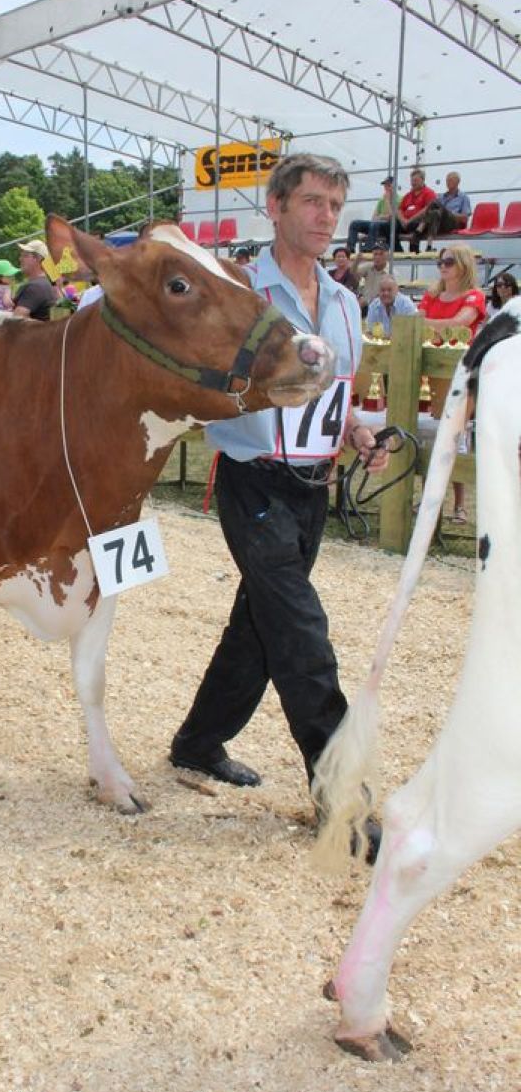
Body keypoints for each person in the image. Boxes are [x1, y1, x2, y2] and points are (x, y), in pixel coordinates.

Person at [170, 151, 389, 863]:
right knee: (300, 629)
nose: (327, 216)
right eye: (313, 202)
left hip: (312, 485)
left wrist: (356, 431)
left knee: (261, 626)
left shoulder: (347, 302)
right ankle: (340, 796)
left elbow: (338, 388)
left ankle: (199, 743)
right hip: (253, 479)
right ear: (277, 207)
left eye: (335, 204)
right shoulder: (239, 290)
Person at [417, 244, 486, 523]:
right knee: (428, 435)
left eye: (448, 261)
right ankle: (427, 500)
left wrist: (428, 324)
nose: (442, 266)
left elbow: (459, 325)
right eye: (439, 262)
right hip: (428, 371)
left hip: (459, 373)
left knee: (456, 437)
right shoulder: (432, 293)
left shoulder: (475, 296)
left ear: (462, 264)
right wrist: (437, 324)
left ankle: (459, 505)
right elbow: (434, 323)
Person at [347, 176, 399, 253]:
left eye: (388, 185)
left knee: (374, 224)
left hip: (388, 227)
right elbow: (374, 217)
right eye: (385, 186)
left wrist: (387, 201)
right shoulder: (381, 200)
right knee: (354, 223)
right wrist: (383, 217)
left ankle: (369, 248)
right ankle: (350, 248)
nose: (386, 188)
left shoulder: (399, 199)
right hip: (376, 225)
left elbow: (392, 217)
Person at [417, 171, 472, 242]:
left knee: (438, 206)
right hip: (439, 222)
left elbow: (465, 218)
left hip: (452, 223)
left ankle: (420, 228)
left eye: (450, 180)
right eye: (447, 180)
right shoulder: (441, 197)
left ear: (458, 182)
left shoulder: (463, 197)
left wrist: (449, 213)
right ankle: (429, 245)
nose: (448, 182)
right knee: (435, 210)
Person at [12, 240, 58, 321]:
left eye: (25, 256)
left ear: (37, 259)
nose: (20, 259)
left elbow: (16, 320)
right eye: (21, 256)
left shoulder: (35, 287)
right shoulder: (44, 284)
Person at [396, 168, 437, 254]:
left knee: (417, 226)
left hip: (419, 223)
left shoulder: (429, 193)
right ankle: (397, 250)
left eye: (415, 180)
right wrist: (403, 220)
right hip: (406, 223)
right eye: (412, 180)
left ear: (423, 180)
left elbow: (427, 209)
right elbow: (399, 210)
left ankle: (414, 251)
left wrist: (409, 220)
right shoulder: (408, 195)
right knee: (390, 226)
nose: (413, 183)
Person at [352, 240, 390, 311]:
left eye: (381, 254)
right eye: (375, 254)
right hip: (365, 304)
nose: (377, 257)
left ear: (387, 255)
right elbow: (353, 275)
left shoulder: (390, 273)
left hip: (381, 305)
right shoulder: (369, 267)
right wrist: (356, 262)